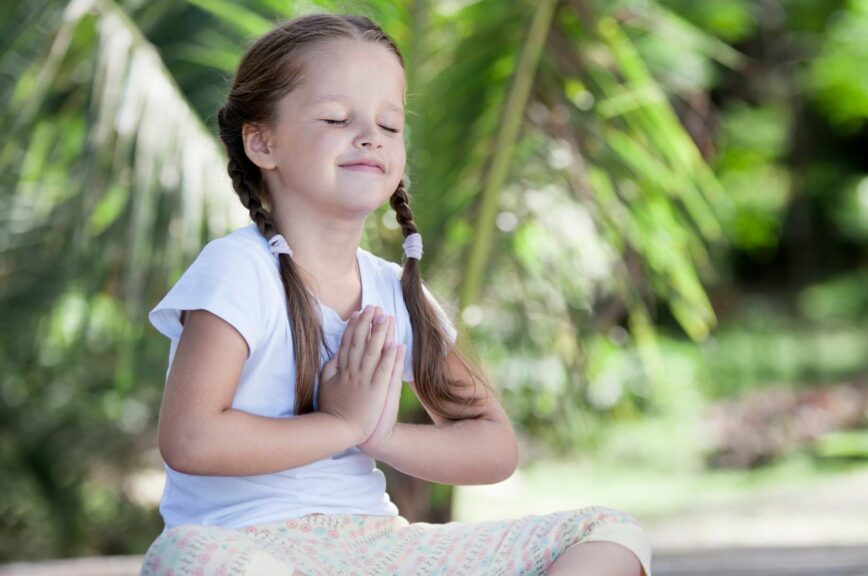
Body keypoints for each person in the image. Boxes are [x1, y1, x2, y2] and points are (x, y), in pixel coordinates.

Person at [140, 12, 653, 576]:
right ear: (262, 143)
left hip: (376, 547)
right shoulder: (237, 269)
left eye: (388, 124)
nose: (369, 136)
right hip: (245, 545)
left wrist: (378, 434)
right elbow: (190, 439)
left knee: (606, 534)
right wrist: (340, 426)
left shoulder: (395, 290)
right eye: (336, 118)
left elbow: (493, 445)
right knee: (189, 556)